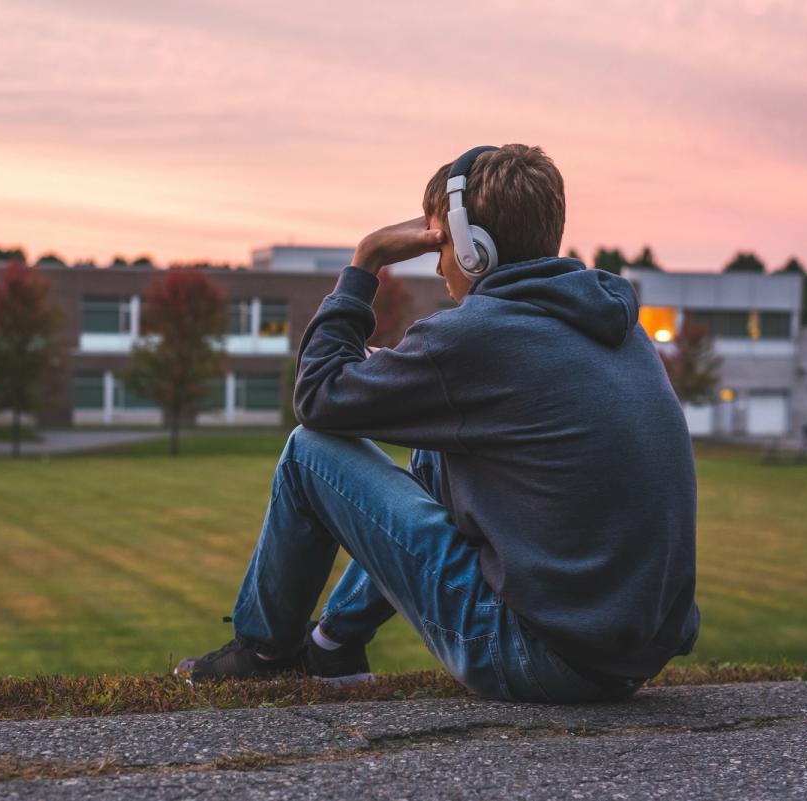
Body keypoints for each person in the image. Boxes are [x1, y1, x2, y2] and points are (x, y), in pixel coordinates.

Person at [175, 144, 699, 702]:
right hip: (628, 658)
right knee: (437, 451)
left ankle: (263, 652)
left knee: (309, 451)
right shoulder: (616, 325)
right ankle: (333, 644)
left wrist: (366, 259)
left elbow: (317, 396)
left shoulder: (475, 335)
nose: (438, 262)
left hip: (535, 656)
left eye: (439, 244)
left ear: (474, 250)